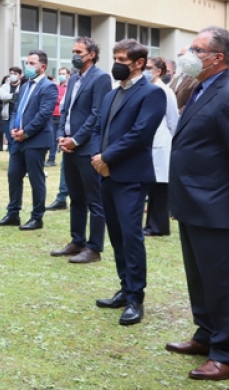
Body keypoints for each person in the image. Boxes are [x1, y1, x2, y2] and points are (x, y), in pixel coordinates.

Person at [166, 26, 229, 381]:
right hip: (192, 201)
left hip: (217, 207)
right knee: (199, 278)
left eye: (196, 50)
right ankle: (206, 335)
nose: (188, 55)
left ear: (218, 59)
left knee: (221, 282)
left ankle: (227, 354)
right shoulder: (201, 87)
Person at [90, 39, 165, 326]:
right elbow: (99, 128)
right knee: (117, 235)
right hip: (106, 173)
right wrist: (98, 156)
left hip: (130, 176)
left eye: (122, 59)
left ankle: (136, 298)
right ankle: (124, 288)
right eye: (116, 58)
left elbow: (140, 134)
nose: (117, 63)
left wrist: (107, 158)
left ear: (139, 63)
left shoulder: (152, 94)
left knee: (132, 236)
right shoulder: (111, 94)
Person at [50, 37, 112, 264]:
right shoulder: (74, 78)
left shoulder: (101, 78)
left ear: (92, 54)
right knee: (76, 197)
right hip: (69, 147)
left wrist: (76, 140)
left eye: (79, 51)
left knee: (94, 200)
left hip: (88, 148)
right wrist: (61, 136)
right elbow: (65, 110)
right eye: (73, 51)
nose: (75, 55)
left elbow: (97, 114)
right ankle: (77, 240)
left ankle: (94, 248)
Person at [0, 50, 57, 231]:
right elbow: (15, 111)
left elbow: (44, 114)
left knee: (36, 180)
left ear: (42, 66)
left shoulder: (49, 86)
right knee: (13, 175)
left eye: (32, 63)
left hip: (36, 140)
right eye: (27, 62)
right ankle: (13, 213)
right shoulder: (25, 85)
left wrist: (26, 132)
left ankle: (37, 218)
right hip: (18, 140)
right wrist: (14, 128)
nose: (27, 66)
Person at [143, 57, 178, 237]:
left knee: (160, 188)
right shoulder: (145, 89)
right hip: (148, 144)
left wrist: (170, 143)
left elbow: (173, 121)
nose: (145, 70)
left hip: (161, 144)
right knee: (151, 187)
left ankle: (159, 227)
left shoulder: (166, 91)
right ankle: (150, 225)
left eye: (149, 67)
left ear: (158, 71)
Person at [46, 68, 69, 167]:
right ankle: (51, 159)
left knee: (59, 138)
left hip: (62, 116)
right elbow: (51, 98)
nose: (61, 75)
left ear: (68, 75)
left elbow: (65, 100)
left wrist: (57, 98)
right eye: (60, 74)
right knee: (51, 138)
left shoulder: (69, 88)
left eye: (63, 74)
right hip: (52, 115)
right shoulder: (55, 87)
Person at [0, 67, 22, 153]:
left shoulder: (23, 86)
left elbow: (20, 98)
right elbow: (2, 96)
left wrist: (10, 96)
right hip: (6, 117)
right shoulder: (5, 86)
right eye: (11, 73)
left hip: (18, 117)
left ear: (19, 76)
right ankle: (13, 159)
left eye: (15, 74)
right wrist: (13, 96)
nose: (12, 76)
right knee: (10, 139)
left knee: (16, 140)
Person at [169, 48, 198, 113]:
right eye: (179, 55)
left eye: (183, 55)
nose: (181, 58)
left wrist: (176, 115)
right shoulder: (176, 79)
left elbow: (192, 103)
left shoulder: (196, 79)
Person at [0, 75, 9, 151]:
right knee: (1, 129)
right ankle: (0, 146)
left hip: (9, 113)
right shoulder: (1, 91)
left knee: (9, 129)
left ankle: (8, 145)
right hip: (2, 112)